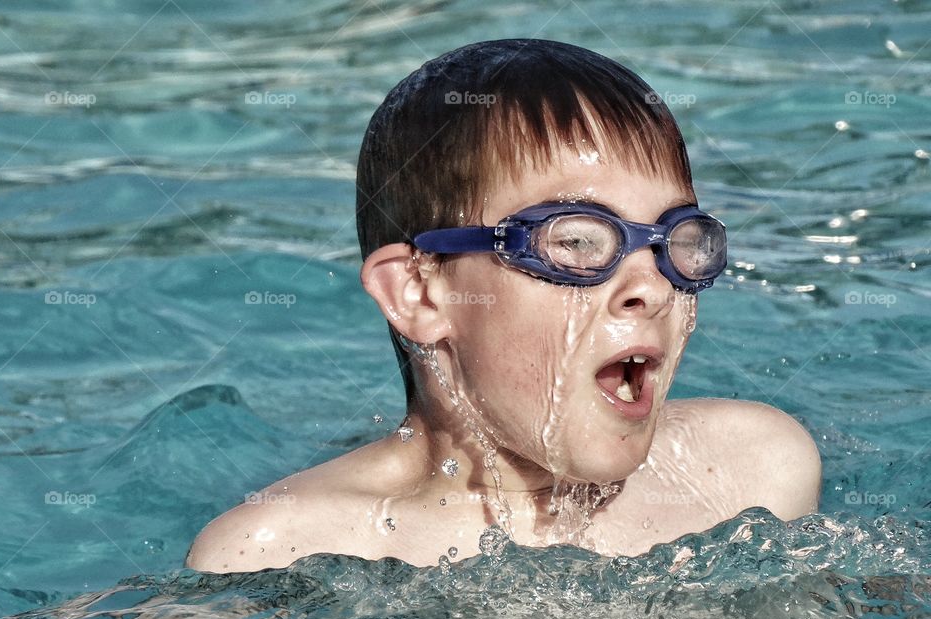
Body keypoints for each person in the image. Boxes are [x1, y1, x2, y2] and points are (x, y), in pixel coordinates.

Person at [186, 39, 821, 573]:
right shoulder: (288, 547)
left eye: (678, 242)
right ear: (421, 293)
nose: (651, 287)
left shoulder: (752, 473)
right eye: (576, 241)